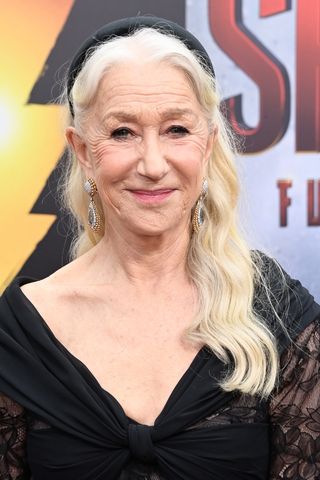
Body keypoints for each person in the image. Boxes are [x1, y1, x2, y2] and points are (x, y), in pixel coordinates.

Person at [0, 16, 319, 480]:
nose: (152, 164)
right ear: (83, 151)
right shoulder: (18, 334)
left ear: (208, 146)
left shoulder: (278, 316)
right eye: (122, 132)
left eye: (176, 130)